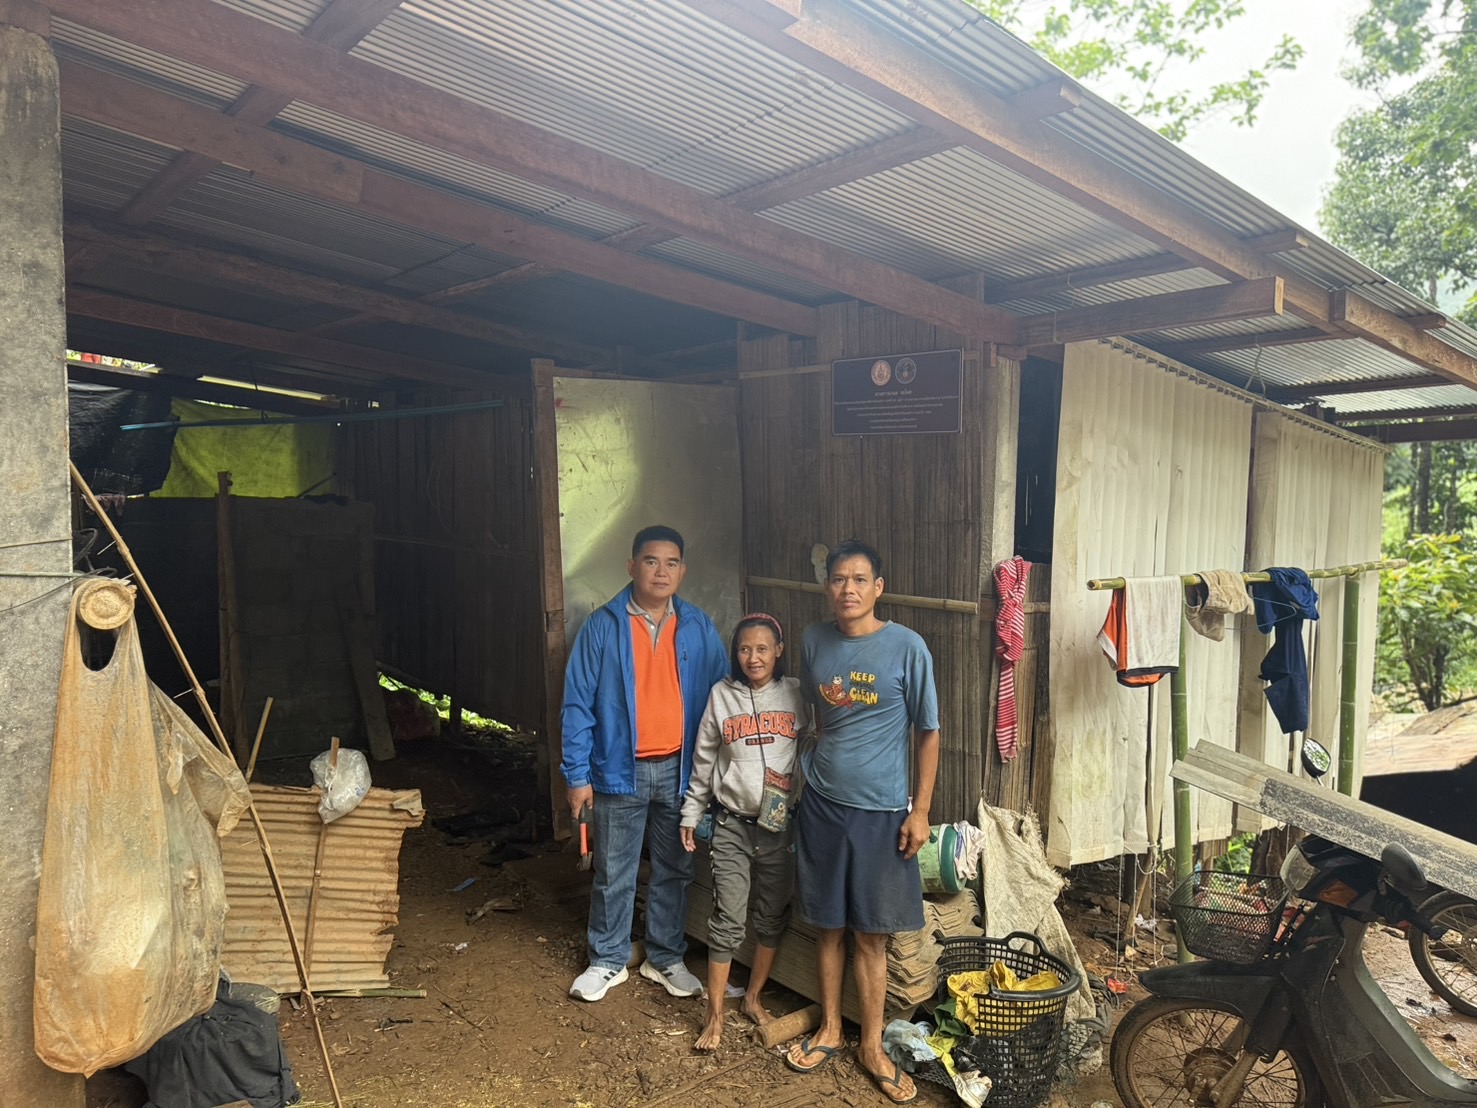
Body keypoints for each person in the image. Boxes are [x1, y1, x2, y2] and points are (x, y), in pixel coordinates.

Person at [785, 540, 939, 1106]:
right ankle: (830, 1029)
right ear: (827, 586)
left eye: (858, 579)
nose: (847, 588)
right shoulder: (813, 640)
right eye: (837, 579)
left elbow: (928, 732)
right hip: (822, 804)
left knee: (872, 934)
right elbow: (817, 714)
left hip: (881, 812)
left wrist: (920, 810)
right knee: (828, 926)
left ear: (878, 588)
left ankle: (871, 1047)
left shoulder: (907, 647)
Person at [561, 525, 728, 1003]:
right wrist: (577, 775)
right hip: (619, 770)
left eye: (671, 563)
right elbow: (577, 704)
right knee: (614, 870)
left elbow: (721, 698)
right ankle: (607, 959)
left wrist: (717, 772)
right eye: (651, 561)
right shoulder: (603, 625)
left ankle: (665, 957)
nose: (661, 571)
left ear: (683, 571)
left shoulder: (697, 626)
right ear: (632, 566)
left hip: (680, 771)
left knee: (675, 869)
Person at [679, 613, 809, 1051]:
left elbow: (813, 744)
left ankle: (752, 998)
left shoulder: (795, 694)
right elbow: (703, 761)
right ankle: (714, 1016)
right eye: (744, 649)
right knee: (728, 920)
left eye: (762, 649)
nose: (753, 657)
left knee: (772, 915)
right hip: (732, 824)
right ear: (735, 653)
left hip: (779, 827)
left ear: (779, 651)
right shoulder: (722, 696)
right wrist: (690, 813)